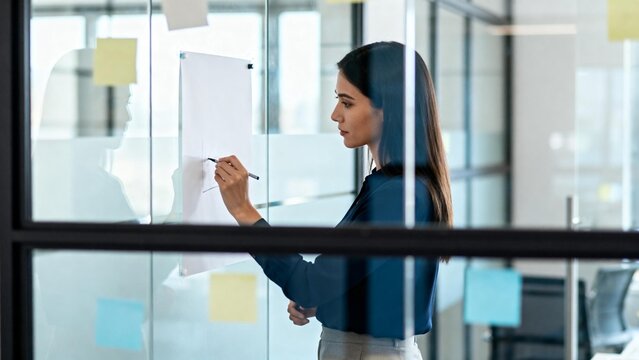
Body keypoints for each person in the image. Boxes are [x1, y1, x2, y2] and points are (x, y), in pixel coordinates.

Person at [213, 41, 452, 360]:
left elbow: (309, 284)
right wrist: (332, 300)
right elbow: (373, 280)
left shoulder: (399, 194)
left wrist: (244, 212)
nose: (335, 114)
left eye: (347, 103)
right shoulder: (392, 185)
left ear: (388, 109)